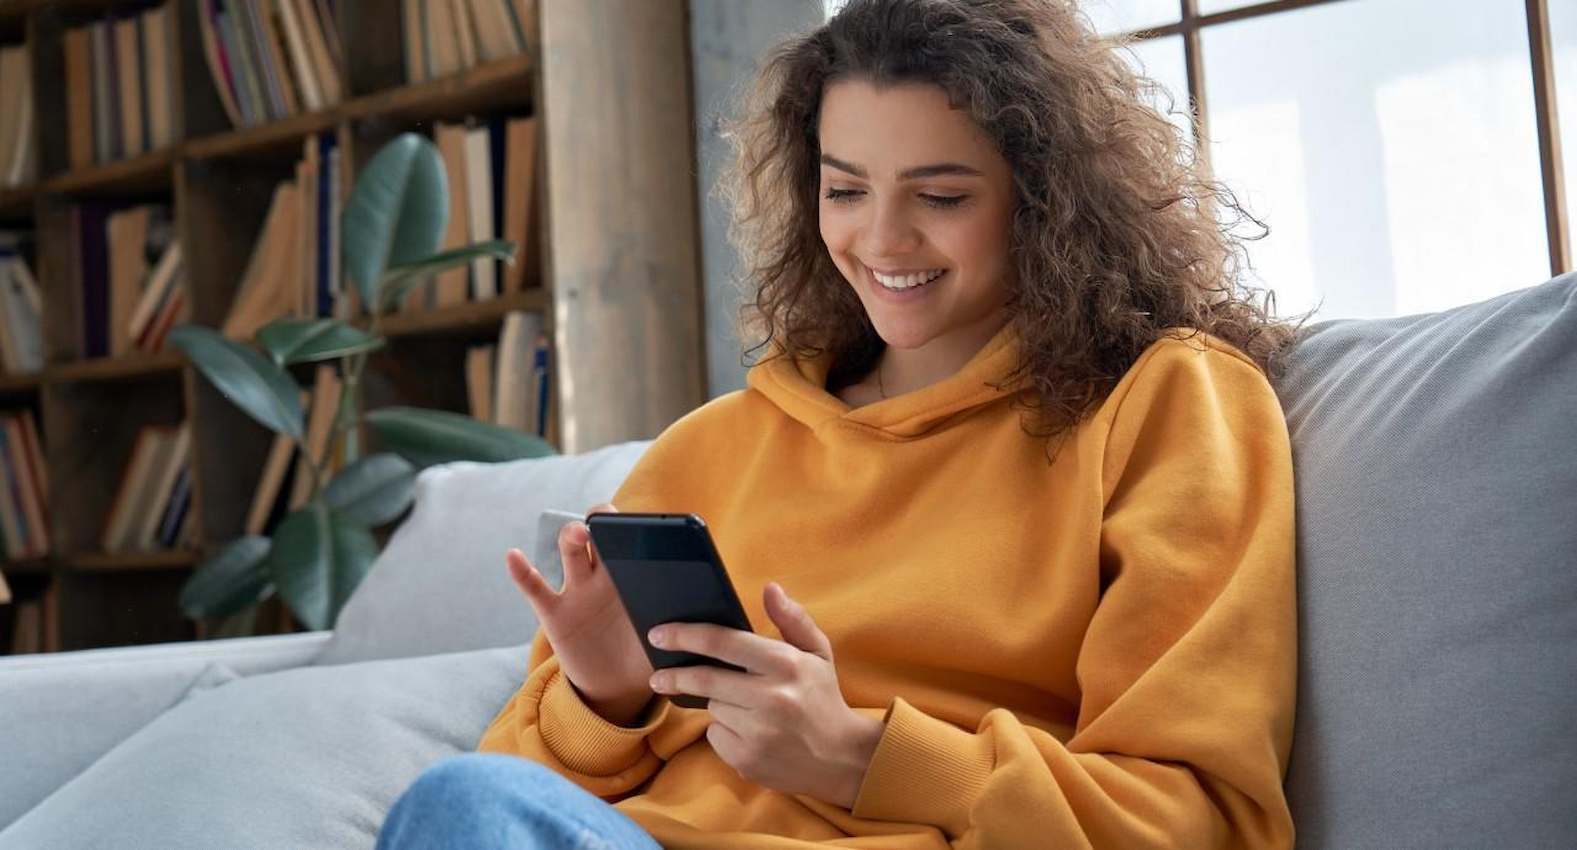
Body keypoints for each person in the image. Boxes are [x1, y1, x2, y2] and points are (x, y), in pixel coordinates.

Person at [376, 0, 1311, 847]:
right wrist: (605, 698)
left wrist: (862, 756)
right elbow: (508, 801)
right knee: (458, 802)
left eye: (940, 196)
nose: (881, 241)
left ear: (1045, 201)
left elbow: (1201, 821)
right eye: (846, 190)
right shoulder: (710, 447)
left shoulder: (1166, 403)